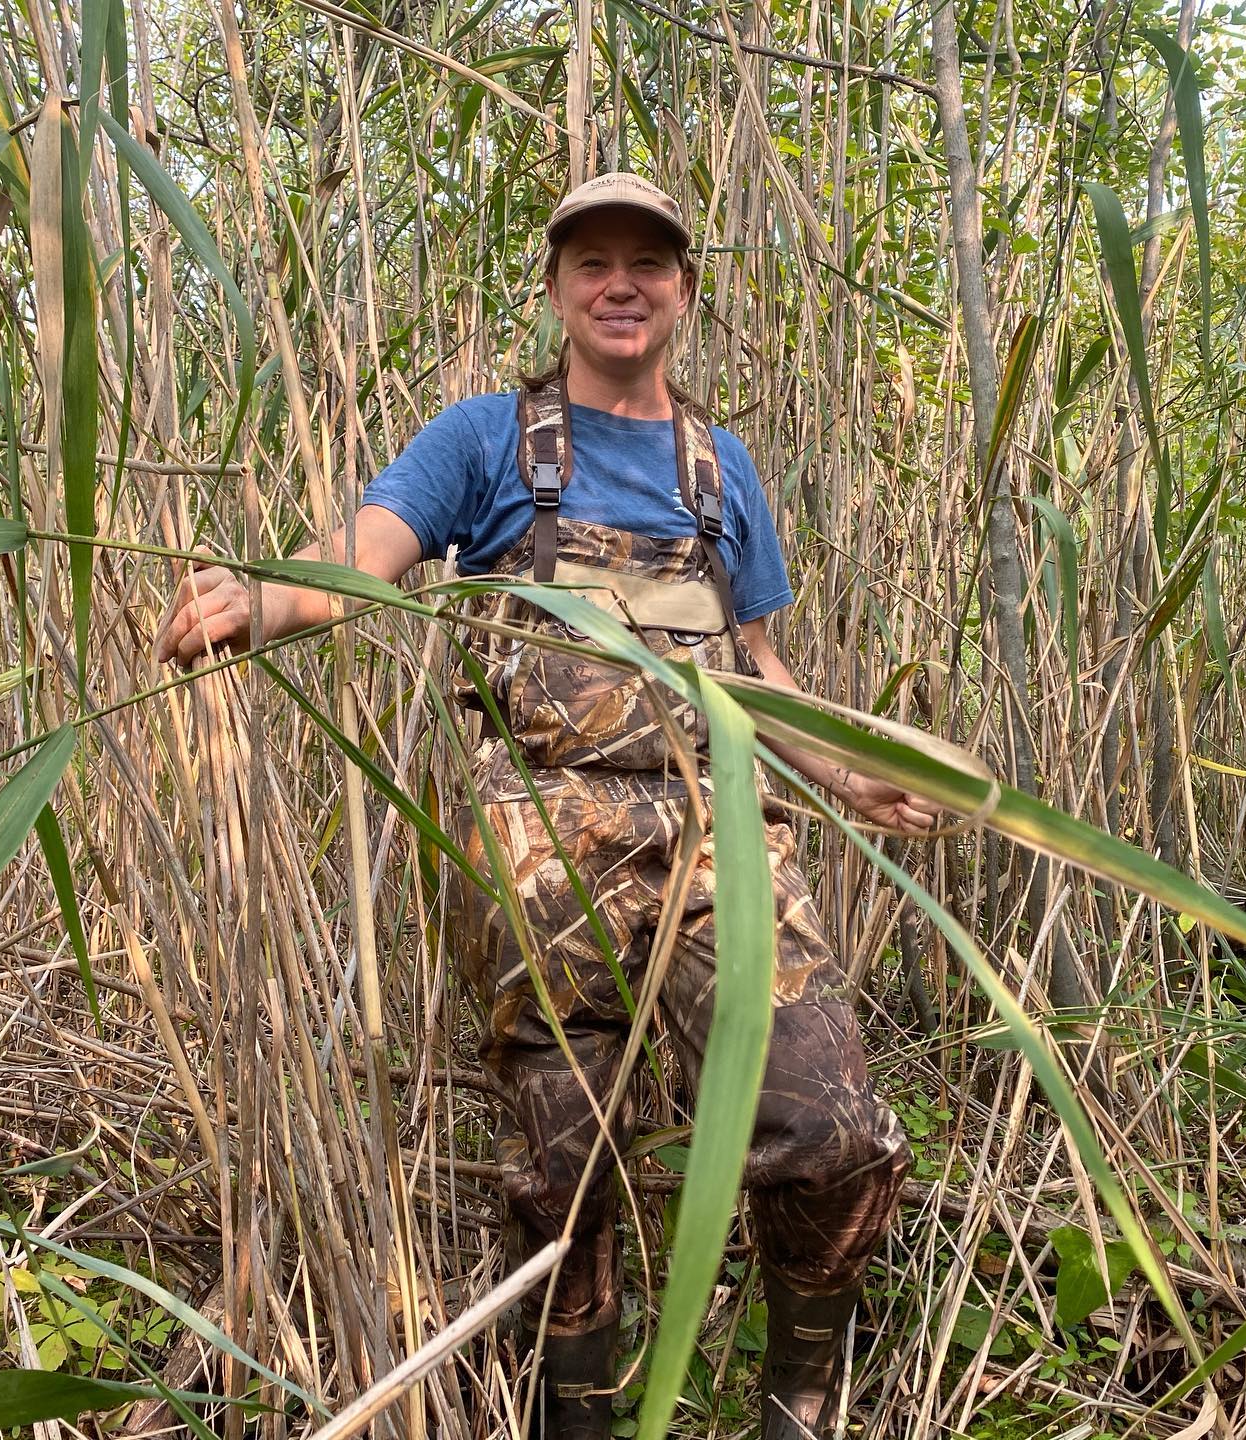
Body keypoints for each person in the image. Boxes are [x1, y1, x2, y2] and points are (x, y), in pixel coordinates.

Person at [157, 172, 940, 1439]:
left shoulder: (720, 466)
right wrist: (260, 601)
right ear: (560, 287)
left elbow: (762, 670)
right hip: (536, 844)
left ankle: (798, 1397)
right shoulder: (485, 440)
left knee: (831, 1128)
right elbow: (358, 570)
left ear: (685, 288)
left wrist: (853, 769)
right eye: (594, 264)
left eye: (648, 263)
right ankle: (580, 1419)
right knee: (568, 1176)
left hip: (717, 834)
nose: (620, 285)